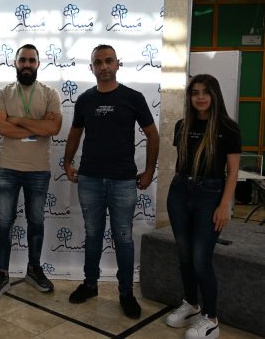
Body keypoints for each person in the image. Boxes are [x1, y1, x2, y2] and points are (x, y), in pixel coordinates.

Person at [63, 44, 159, 319]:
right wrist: (67, 162)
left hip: (123, 181)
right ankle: (90, 284)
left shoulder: (133, 98)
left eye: (109, 61)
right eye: (98, 62)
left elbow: (153, 135)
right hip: (90, 179)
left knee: (124, 237)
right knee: (93, 234)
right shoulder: (85, 100)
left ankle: (126, 293)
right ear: (91, 67)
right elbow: (74, 134)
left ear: (118, 64)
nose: (104, 66)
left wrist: (149, 172)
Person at [165, 74, 240, 339]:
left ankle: (211, 318)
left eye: (205, 92)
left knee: (200, 259)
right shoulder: (182, 125)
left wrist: (224, 205)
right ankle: (191, 304)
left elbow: (233, 171)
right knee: (184, 255)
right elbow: (183, 163)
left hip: (210, 195)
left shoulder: (228, 128)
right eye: (194, 92)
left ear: (214, 95)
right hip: (179, 192)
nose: (200, 97)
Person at [0, 44, 62, 299]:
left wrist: (17, 120)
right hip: (8, 167)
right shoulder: (3, 93)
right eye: (22, 60)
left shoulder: (50, 93)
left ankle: (34, 269)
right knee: (4, 222)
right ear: (15, 63)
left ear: (38, 64)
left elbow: (54, 128)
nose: (27, 64)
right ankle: (2, 273)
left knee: (36, 221)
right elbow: (0, 128)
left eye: (31, 60)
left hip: (38, 170)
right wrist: (37, 127)